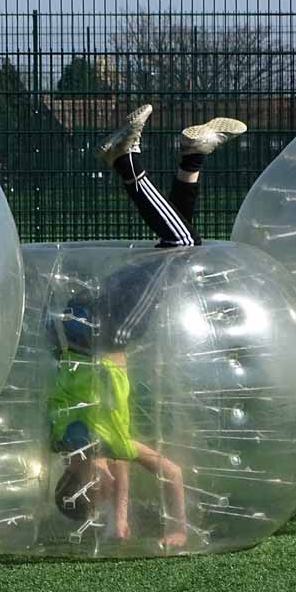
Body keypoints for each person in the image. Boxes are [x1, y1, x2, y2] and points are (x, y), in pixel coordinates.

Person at [49, 104, 247, 549]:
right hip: (94, 322)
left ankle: (125, 160)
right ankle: (193, 155)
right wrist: (125, 520)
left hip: (110, 331)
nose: (110, 484)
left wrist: (130, 519)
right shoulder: (70, 442)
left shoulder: (87, 443)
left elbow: (134, 466)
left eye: (95, 492)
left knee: (179, 246)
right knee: (175, 246)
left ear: (81, 482)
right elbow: (114, 465)